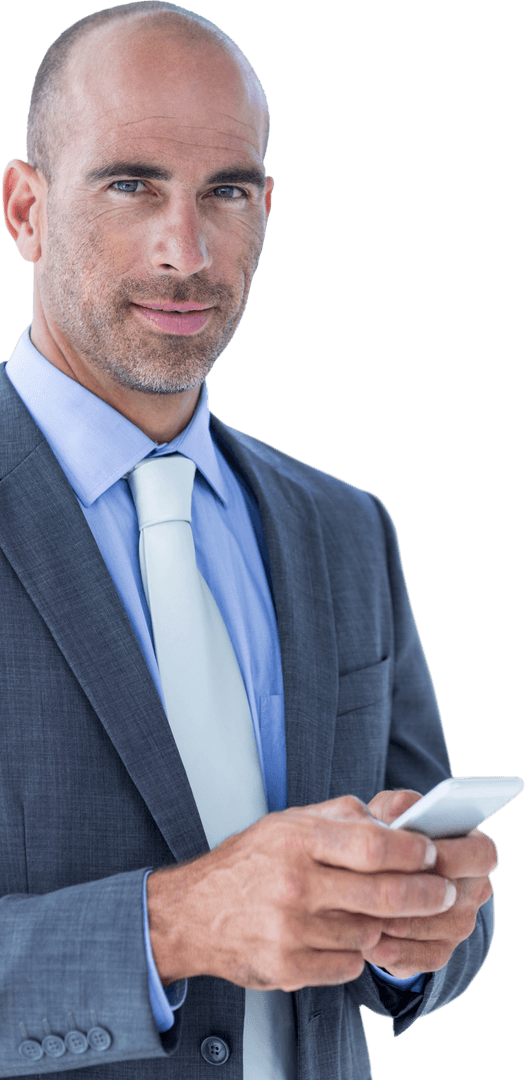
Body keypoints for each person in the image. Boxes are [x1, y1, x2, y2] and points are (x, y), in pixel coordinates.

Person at [0, 3, 497, 1078]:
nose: (187, 249)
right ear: (25, 209)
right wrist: (170, 928)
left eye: (226, 190)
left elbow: (454, 924)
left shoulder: (345, 528)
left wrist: (423, 925)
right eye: (131, 184)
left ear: (265, 207)